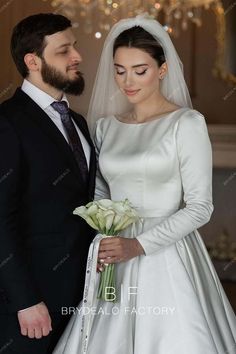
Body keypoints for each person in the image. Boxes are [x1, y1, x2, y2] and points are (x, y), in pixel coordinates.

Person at [53, 14, 236, 354]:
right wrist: (104, 234)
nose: (127, 81)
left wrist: (138, 245)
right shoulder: (107, 127)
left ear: (162, 70)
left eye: (140, 70)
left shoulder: (186, 123)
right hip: (115, 249)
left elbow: (200, 207)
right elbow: (101, 191)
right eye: (120, 70)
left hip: (166, 252)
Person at [0, 13, 96, 354]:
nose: (77, 57)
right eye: (64, 50)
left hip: (82, 299)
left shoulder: (79, 122)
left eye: (75, 47)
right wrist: (25, 300)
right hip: (30, 305)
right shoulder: (7, 122)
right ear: (33, 61)